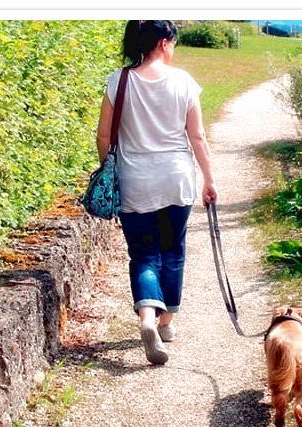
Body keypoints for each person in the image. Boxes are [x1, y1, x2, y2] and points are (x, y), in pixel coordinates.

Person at [96, 20, 217, 365]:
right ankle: (166, 324)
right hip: (176, 179)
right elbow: (197, 137)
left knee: (144, 254)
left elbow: (104, 136)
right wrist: (209, 178)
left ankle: (147, 316)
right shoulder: (183, 82)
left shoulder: (118, 81)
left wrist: (111, 170)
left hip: (135, 181)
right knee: (173, 251)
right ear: (164, 43)